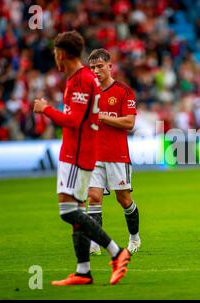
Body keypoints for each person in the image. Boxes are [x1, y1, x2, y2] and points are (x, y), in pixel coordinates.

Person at [33, 31, 130, 286]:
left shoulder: (80, 80)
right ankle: (83, 271)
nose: (55, 58)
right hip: (81, 152)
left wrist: (46, 109)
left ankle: (116, 252)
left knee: (67, 212)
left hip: (76, 154)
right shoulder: (83, 78)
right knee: (74, 211)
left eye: (55, 53)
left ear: (61, 54)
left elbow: (74, 121)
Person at [87, 48, 141, 255]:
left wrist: (102, 117)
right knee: (93, 197)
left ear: (110, 66)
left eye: (100, 66)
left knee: (123, 199)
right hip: (94, 155)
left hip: (117, 155)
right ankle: (94, 242)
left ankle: (134, 238)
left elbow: (129, 122)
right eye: (92, 68)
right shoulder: (88, 92)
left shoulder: (123, 91)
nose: (96, 71)